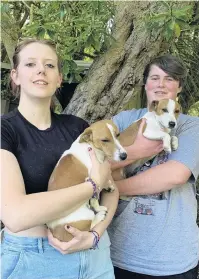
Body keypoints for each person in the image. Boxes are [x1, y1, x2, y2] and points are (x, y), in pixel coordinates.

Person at [1, 38, 118, 279]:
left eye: (50, 65)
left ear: (59, 79)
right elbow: (15, 216)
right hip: (35, 259)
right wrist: (91, 186)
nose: (41, 70)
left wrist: (95, 234)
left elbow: (111, 188)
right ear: (15, 76)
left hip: (94, 256)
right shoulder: (6, 130)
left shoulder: (79, 129)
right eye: (31, 64)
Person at [108, 54, 199, 278]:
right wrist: (136, 151)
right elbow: (95, 159)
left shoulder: (191, 126)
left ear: (179, 87)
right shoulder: (124, 120)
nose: (160, 84)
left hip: (171, 260)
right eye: (154, 77)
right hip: (116, 252)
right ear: (146, 84)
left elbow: (175, 174)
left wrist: (113, 188)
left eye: (169, 79)